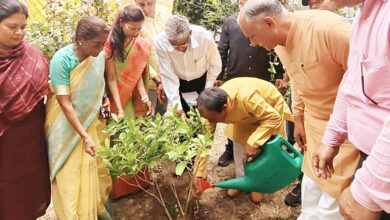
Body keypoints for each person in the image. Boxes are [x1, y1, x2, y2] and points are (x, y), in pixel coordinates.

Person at [238, 0, 361, 219]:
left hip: (347, 133)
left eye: (252, 36)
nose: (252, 44)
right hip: (314, 127)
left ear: (269, 23)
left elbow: (366, 83)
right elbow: (296, 80)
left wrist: (336, 136)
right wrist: (299, 119)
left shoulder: (331, 31)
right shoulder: (278, 42)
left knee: (331, 205)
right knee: (311, 192)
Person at [312, 0, 390, 219]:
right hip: (374, 160)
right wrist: (332, 137)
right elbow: (354, 79)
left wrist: (368, 190)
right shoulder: (363, 14)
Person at [45, 16, 112, 219]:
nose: (101, 49)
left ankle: (93, 212)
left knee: (94, 170)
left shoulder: (98, 57)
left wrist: (105, 98)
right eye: (97, 44)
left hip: (91, 122)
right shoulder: (62, 59)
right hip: (64, 126)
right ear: (81, 39)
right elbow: (65, 102)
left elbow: (97, 83)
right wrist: (84, 136)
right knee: (70, 176)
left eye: (104, 44)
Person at [192, 77, 294, 204]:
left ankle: (258, 183)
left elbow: (273, 117)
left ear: (225, 108)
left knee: (265, 149)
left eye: (214, 120)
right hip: (245, 117)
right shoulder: (210, 111)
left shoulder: (247, 98)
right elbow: (205, 143)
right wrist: (198, 173)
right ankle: (242, 180)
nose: (212, 123)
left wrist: (253, 142)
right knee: (239, 144)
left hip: (269, 112)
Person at [216, 0, 286, 167]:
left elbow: (276, 50)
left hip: (260, 76)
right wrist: (219, 75)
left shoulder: (262, 23)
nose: (244, 6)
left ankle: (260, 149)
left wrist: (279, 74)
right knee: (233, 115)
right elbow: (222, 49)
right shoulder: (230, 22)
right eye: (241, 3)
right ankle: (231, 148)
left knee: (259, 114)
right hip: (236, 75)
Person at [284, 0, 338, 207]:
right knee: (303, 145)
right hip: (306, 109)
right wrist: (298, 117)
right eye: (311, 5)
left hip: (333, 117)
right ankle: (303, 182)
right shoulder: (302, 34)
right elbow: (297, 80)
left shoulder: (342, 33)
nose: (314, 9)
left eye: (318, 2)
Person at [0, 1, 50, 219]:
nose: (20, 33)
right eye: (12, 27)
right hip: (4, 146)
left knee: (28, 193)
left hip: (31, 144)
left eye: (23, 26)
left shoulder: (31, 54)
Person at [155, 15, 222, 114]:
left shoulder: (204, 37)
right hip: (179, 81)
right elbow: (168, 75)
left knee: (204, 115)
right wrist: (177, 107)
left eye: (183, 44)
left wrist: (207, 90)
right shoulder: (161, 42)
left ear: (190, 33)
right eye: (174, 45)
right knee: (183, 116)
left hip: (202, 80)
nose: (179, 48)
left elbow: (215, 64)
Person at [105, 5, 154, 119]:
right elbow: (111, 78)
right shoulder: (110, 43)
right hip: (113, 94)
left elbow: (136, 73)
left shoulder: (137, 41)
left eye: (139, 28)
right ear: (121, 23)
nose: (136, 32)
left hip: (130, 93)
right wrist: (119, 109)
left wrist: (144, 97)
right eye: (131, 28)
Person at [135, 0, 171, 115]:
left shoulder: (166, 13)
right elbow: (137, 56)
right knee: (147, 116)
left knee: (161, 114)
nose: (146, 8)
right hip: (147, 81)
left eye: (149, 3)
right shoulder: (134, 21)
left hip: (167, 78)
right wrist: (156, 78)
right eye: (141, 4)